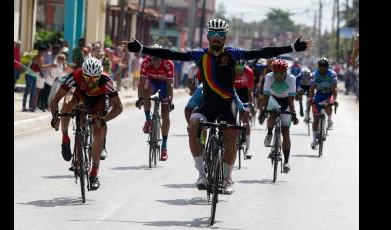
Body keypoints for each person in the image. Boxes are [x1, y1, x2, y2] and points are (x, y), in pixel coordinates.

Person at [124, 18, 313, 194]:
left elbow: (262, 52)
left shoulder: (233, 53)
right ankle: (201, 174)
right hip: (208, 104)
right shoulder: (200, 55)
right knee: (192, 126)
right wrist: (142, 48)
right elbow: (172, 54)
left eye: (220, 35)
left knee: (231, 136)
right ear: (207, 37)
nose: (216, 38)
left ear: (225, 37)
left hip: (227, 104)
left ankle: (227, 178)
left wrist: (292, 47)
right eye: (213, 35)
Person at [50, 57, 123, 190]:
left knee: (97, 130)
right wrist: (55, 116)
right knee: (66, 106)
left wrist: (103, 120)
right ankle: (65, 138)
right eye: (87, 77)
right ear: (82, 73)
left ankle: (94, 174)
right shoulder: (75, 76)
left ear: (99, 76)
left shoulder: (106, 82)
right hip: (81, 95)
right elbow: (55, 100)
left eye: (94, 79)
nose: (89, 81)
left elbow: (119, 107)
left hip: (99, 100)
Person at [258, 59, 299, 173]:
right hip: (273, 99)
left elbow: (291, 101)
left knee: (286, 132)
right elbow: (266, 97)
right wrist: (263, 111)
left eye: (281, 73)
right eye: (276, 73)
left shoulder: (291, 79)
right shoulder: (269, 77)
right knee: (273, 112)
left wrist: (294, 115)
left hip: (286, 101)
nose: (278, 76)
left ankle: (286, 161)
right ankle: (270, 132)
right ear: (272, 71)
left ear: (286, 72)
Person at [135, 44, 174, 161]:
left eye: (158, 59)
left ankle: (164, 147)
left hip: (164, 85)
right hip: (152, 82)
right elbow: (141, 83)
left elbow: (170, 85)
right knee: (146, 91)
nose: (156, 62)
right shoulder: (146, 62)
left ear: (162, 58)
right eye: (153, 59)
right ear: (150, 58)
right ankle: (148, 120)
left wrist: (170, 100)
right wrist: (140, 98)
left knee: (165, 113)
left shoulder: (168, 64)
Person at [309, 57, 338, 149]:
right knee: (316, 119)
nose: (322, 68)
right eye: (320, 66)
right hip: (319, 94)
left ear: (327, 66)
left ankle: (329, 119)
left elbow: (334, 89)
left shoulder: (332, 74)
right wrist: (311, 99)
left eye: (324, 66)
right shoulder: (314, 74)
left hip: (329, 94)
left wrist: (335, 99)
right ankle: (314, 140)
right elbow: (312, 88)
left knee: (329, 104)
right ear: (318, 66)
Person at [23, 45, 55, 112]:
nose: (45, 53)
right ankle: (24, 106)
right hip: (29, 75)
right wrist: (50, 65)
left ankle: (31, 107)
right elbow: (42, 66)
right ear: (40, 51)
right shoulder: (38, 57)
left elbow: (40, 68)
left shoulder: (41, 57)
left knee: (33, 92)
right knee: (27, 91)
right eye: (44, 52)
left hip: (34, 75)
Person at [233, 60, 254, 159]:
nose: (238, 72)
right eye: (236, 70)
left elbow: (250, 92)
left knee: (246, 120)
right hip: (233, 91)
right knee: (231, 117)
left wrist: (251, 104)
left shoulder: (249, 72)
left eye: (240, 70)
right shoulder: (230, 70)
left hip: (244, 92)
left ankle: (248, 148)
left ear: (244, 68)